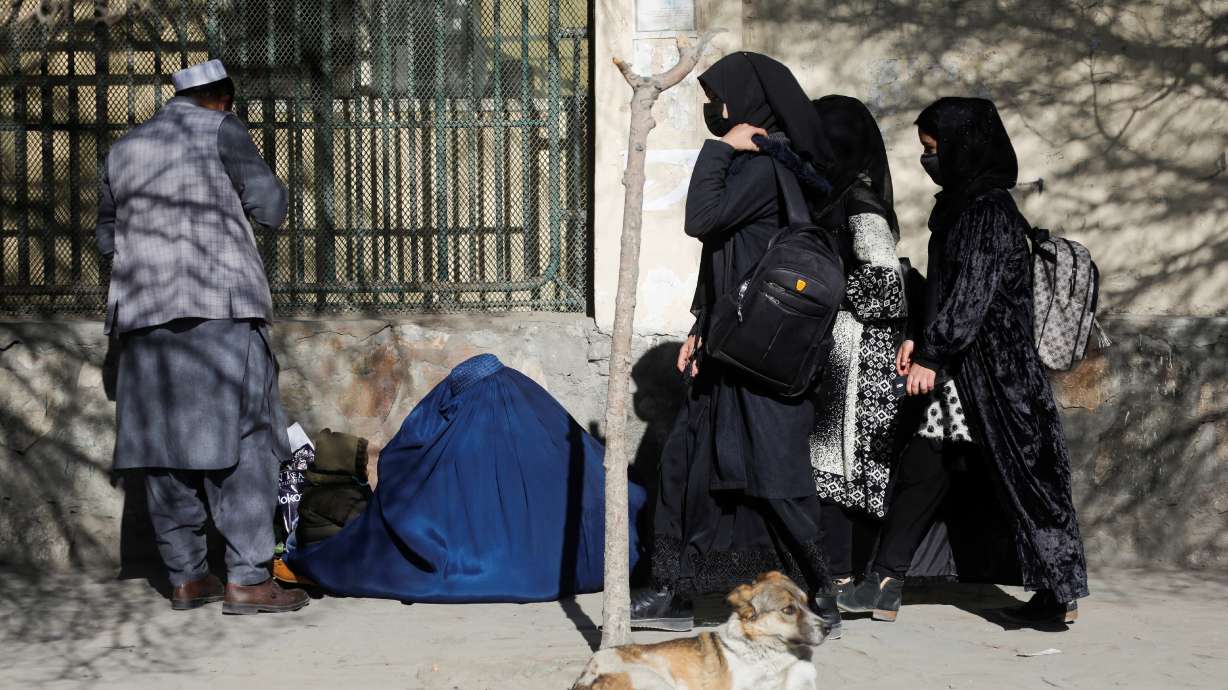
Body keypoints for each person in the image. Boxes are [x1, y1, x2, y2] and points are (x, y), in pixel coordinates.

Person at [840, 97, 1089, 625]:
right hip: (966, 369)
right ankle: (885, 582)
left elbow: (972, 291)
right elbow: (949, 287)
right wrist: (918, 338)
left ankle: (1055, 589)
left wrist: (935, 350)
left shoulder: (986, 210)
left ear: (966, 148)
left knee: (1024, 474)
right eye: (926, 150)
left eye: (936, 149)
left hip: (996, 372)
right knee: (929, 465)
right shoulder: (960, 204)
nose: (928, 160)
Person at [632, 52, 845, 634]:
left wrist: (722, 146)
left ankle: (821, 593)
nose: (712, 110)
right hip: (731, 346)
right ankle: (672, 588)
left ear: (747, 106)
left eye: (718, 99)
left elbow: (700, 219)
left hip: (761, 355)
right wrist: (701, 326)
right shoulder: (764, 167)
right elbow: (725, 254)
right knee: (688, 465)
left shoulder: (765, 169)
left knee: (775, 477)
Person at [96, 59, 308, 614]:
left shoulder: (123, 148)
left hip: (143, 320)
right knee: (244, 445)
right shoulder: (223, 129)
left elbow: (105, 237)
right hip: (221, 312)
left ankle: (188, 577)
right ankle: (247, 578)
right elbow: (272, 208)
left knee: (162, 452)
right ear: (221, 98)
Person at [285, 354, 648, 602]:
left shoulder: (450, 450)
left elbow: (403, 465)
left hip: (472, 568)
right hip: (569, 568)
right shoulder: (548, 425)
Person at [805, 96, 909, 620]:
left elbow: (888, 288)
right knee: (832, 465)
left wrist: (826, 288)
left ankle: (848, 575)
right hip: (842, 350)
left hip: (862, 357)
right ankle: (838, 573)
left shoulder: (861, 203)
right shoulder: (835, 197)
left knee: (846, 466)